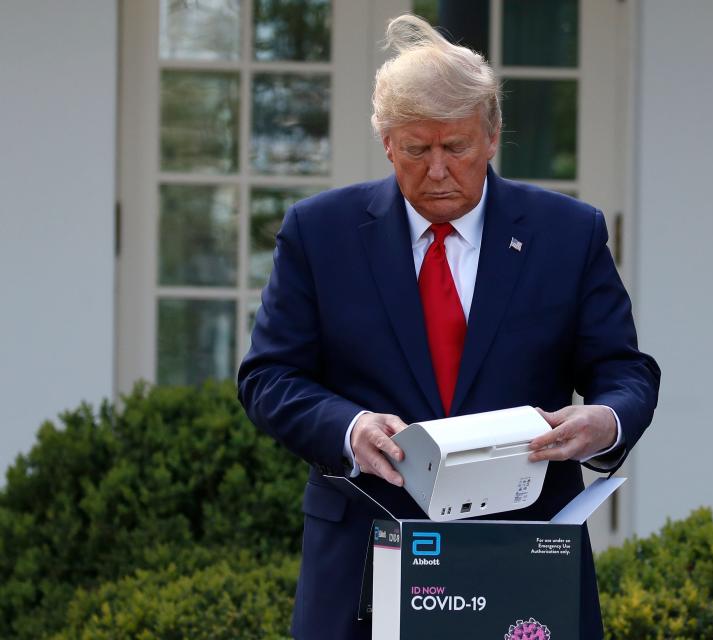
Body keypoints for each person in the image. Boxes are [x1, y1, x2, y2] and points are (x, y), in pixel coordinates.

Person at [238, 14, 659, 640]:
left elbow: (623, 370)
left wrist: (606, 422)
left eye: (455, 147)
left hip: (522, 553)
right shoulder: (318, 233)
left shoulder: (568, 233)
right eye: (416, 149)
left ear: (492, 136)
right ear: (386, 142)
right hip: (362, 552)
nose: (437, 170)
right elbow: (269, 376)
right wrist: (348, 428)